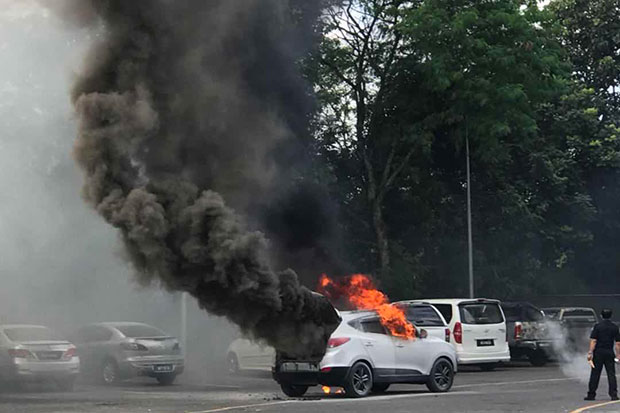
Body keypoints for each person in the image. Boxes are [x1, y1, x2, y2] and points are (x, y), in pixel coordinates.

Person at [585, 308, 620, 401]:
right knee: (611, 374)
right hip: (609, 352)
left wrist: (590, 352)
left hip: (598, 353)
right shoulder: (614, 327)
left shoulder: (597, 326)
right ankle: (614, 394)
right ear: (611, 316)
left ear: (601, 316)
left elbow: (593, 340)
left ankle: (591, 394)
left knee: (595, 374)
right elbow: (617, 343)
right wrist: (618, 355)